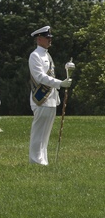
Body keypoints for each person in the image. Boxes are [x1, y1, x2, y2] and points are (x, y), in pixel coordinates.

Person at [28, 26, 71, 166]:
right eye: (47, 38)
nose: (50, 40)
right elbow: (40, 77)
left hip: (50, 99)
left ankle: (43, 159)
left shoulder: (46, 55)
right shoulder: (35, 55)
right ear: (39, 39)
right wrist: (60, 83)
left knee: (45, 134)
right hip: (40, 98)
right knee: (38, 132)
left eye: (50, 38)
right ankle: (35, 160)